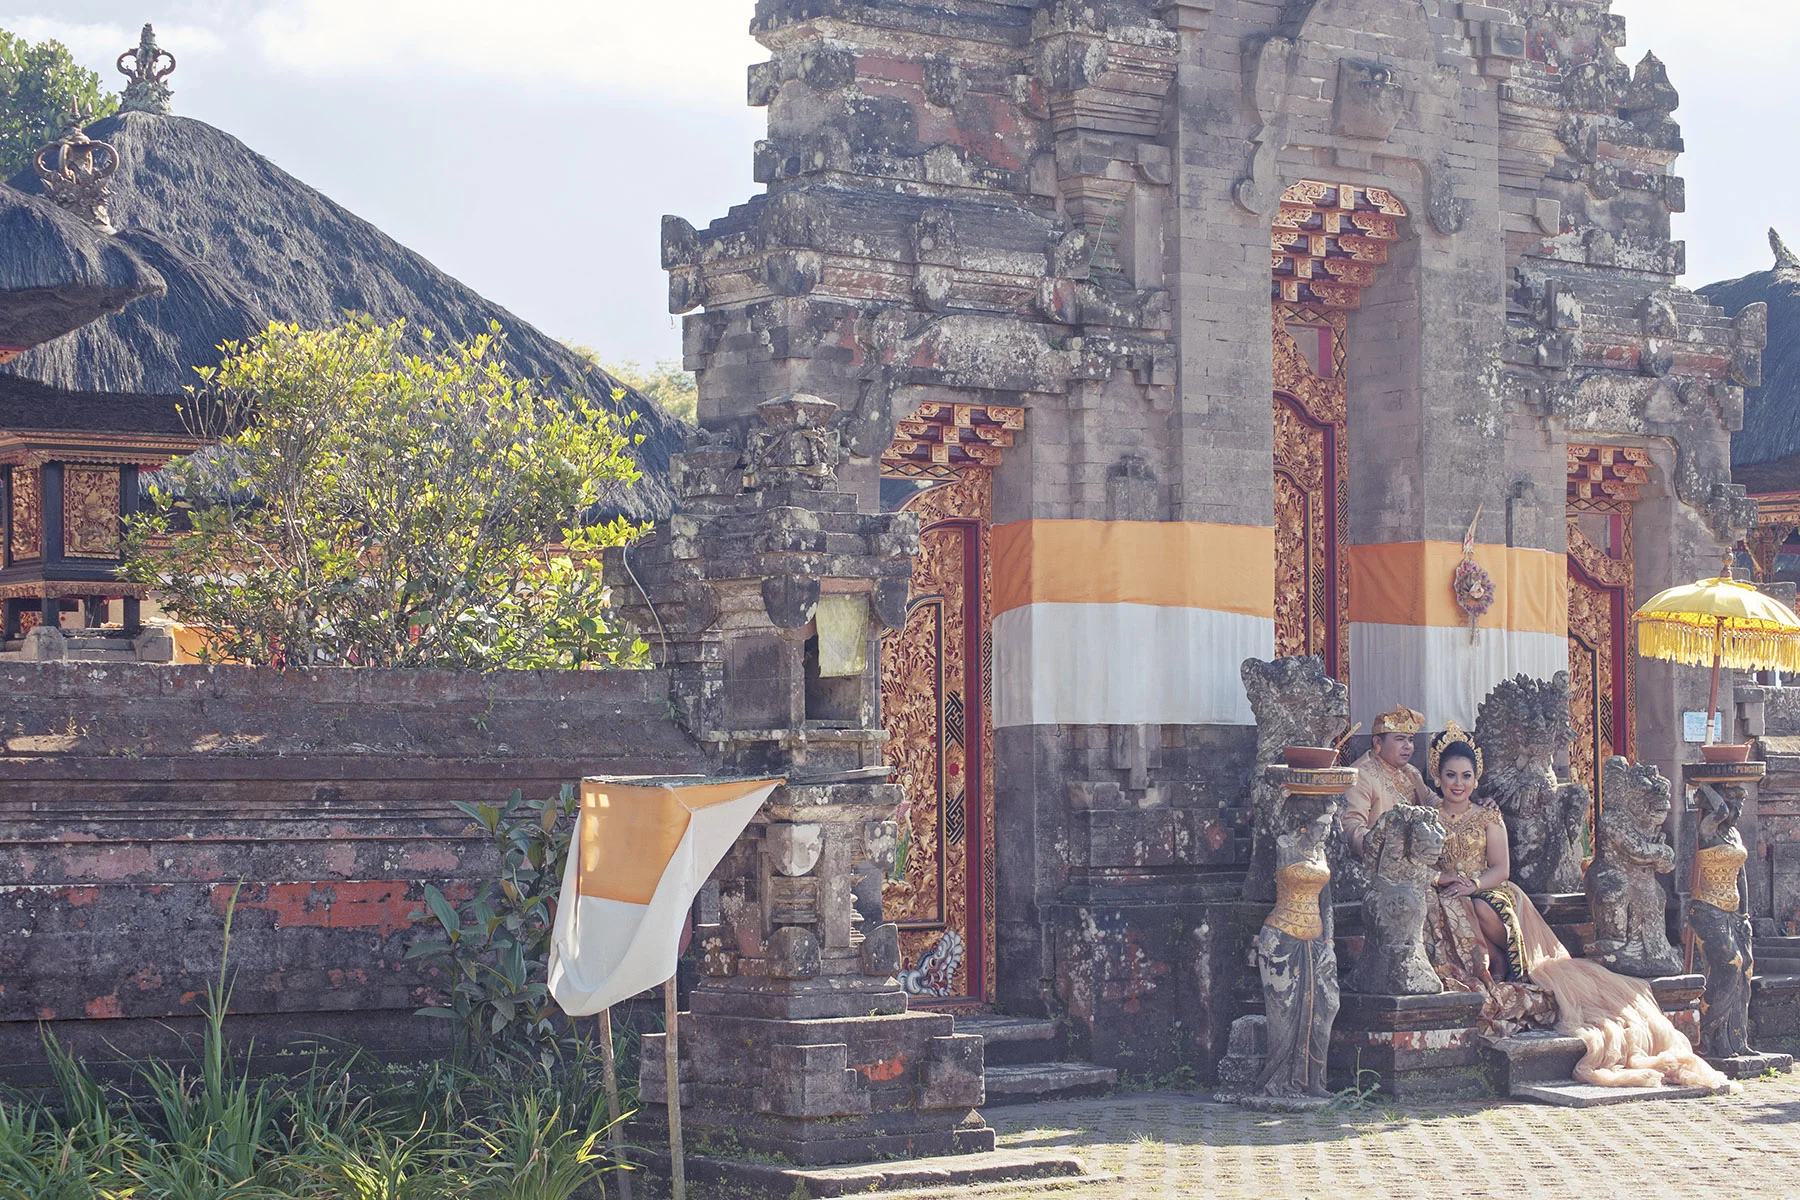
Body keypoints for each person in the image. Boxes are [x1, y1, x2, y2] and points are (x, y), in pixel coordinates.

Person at [1420, 726, 1731, 1091]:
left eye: (1466, 776)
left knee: (1480, 908)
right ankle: (1483, 970)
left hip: (1491, 890)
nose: (1458, 783)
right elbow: (1419, 863)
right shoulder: (1426, 817)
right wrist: (1445, 878)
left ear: (1477, 779)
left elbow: (1501, 869)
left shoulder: (1489, 817)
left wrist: (1471, 882)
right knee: (1448, 908)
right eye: (1451, 775)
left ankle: (1503, 963)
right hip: (1446, 888)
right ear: (1437, 778)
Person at [1342, 703, 1429, 858]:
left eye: (1410, 740)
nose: (1408, 746)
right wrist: (1389, 852)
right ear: (1377, 742)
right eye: (1400, 739)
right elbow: (1350, 827)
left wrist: (1473, 808)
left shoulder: (1411, 772)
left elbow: (1433, 803)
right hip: (1377, 867)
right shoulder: (1361, 774)